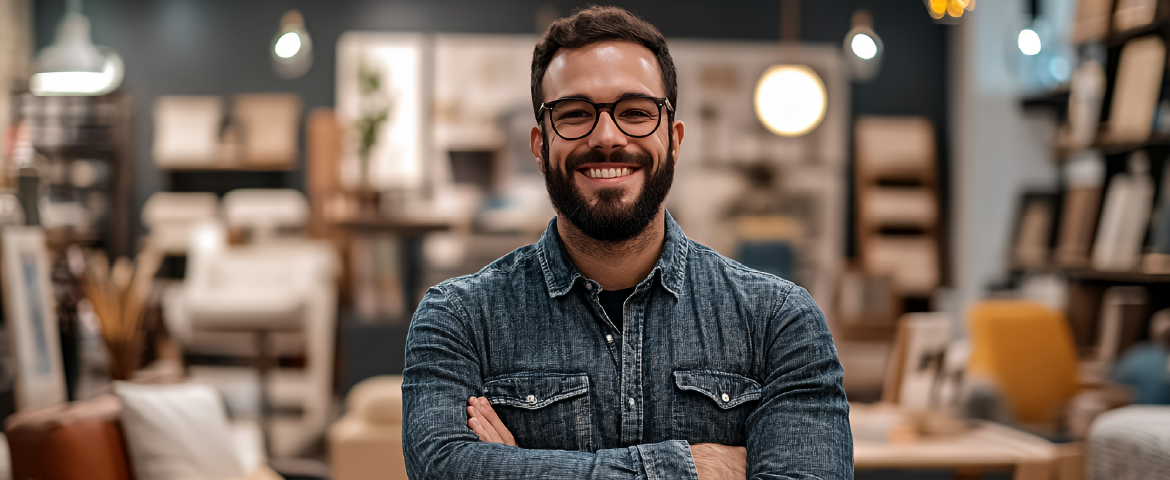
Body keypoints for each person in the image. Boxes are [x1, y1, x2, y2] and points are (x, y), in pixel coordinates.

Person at [402, 6, 852, 479]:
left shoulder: (779, 320)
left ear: (674, 139)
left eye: (635, 112)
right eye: (574, 114)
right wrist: (685, 469)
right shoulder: (458, 319)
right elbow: (444, 469)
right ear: (540, 145)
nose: (607, 136)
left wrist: (519, 467)